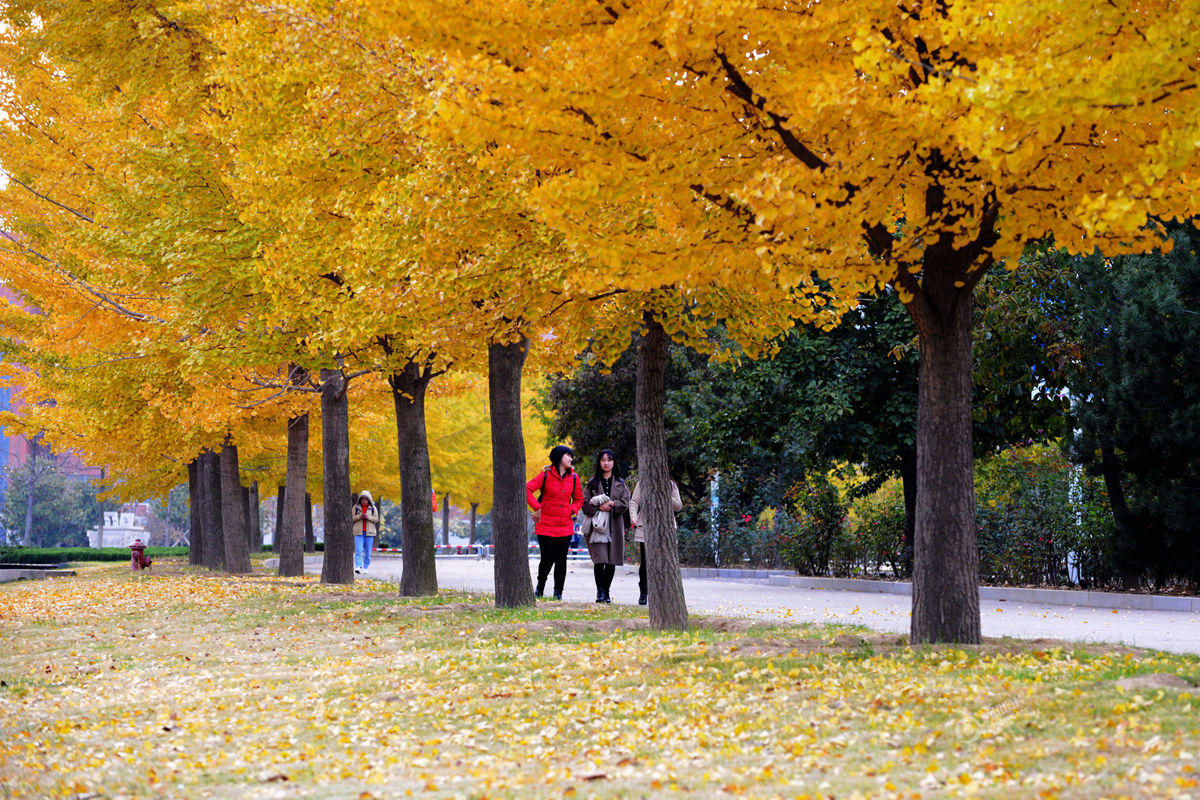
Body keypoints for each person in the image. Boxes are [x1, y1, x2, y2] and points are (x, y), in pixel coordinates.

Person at [526, 445, 585, 600]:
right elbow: (527, 489)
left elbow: (579, 499)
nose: (571, 459)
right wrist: (537, 508)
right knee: (547, 558)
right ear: (559, 457)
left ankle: (558, 592)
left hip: (565, 526)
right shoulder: (545, 475)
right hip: (545, 524)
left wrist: (571, 510)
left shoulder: (574, 477)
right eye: (568, 456)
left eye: (571, 456)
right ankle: (540, 587)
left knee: (561, 560)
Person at [580, 449, 631, 603]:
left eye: (609, 460)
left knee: (611, 561)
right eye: (603, 460)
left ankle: (606, 592)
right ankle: (599, 592)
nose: (606, 463)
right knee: (600, 560)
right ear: (599, 462)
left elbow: (625, 502)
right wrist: (598, 507)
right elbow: (584, 503)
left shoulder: (620, 483)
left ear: (613, 462)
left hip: (614, 525)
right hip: (597, 527)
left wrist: (613, 504)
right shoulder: (592, 482)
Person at [628, 475, 683, 605]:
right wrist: (633, 516)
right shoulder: (643, 482)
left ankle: (663, 593)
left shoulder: (671, 484)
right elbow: (634, 501)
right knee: (646, 562)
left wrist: (664, 494)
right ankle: (644, 592)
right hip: (646, 525)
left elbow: (678, 506)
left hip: (666, 527)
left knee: (665, 561)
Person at [352, 490, 380, 574]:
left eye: (366, 499)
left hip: (369, 532)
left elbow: (376, 519)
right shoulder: (356, 507)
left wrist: (368, 517)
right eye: (362, 499)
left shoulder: (373, 508)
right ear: (360, 499)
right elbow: (352, 518)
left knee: (368, 551)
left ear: (369, 500)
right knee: (358, 550)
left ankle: (366, 567)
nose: (364, 501)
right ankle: (358, 566)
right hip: (358, 532)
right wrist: (360, 516)